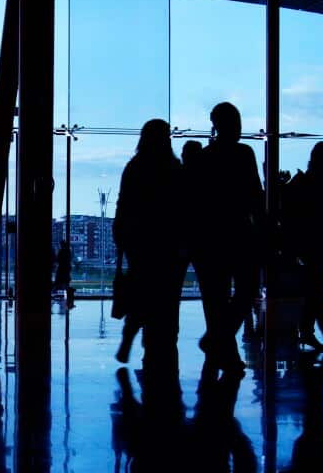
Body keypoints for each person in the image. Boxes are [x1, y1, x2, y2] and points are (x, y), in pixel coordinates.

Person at [191, 102, 265, 368]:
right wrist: (262, 225)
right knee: (246, 291)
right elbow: (255, 195)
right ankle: (220, 343)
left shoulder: (205, 157)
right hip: (238, 232)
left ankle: (221, 346)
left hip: (210, 237)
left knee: (216, 299)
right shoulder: (244, 153)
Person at [113, 119, 187, 367]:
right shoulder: (174, 168)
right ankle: (161, 343)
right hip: (168, 243)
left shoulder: (134, 167)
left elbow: (123, 204)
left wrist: (121, 234)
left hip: (140, 241)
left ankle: (132, 332)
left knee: (142, 291)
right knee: (167, 299)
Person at [283, 142, 323, 350]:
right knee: (317, 287)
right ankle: (315, 328)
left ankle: (311, 329)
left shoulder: (300, 183)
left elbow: (287, 212)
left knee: (313, 288)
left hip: (304, 243)